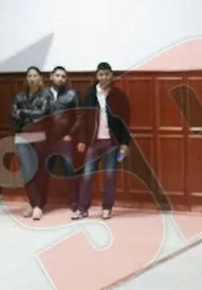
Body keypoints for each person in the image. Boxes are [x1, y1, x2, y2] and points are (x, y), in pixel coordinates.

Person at [74, 62, 131, 220]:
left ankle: (107, 207)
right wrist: (81, 140)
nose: (104, 77)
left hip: (111, 143)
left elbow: (125, 122)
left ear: (111, 75)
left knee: (110, 176)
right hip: (93, 142)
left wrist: (125, 144)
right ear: (96, 76)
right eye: (101, 74)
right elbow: (83, 119)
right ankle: (83, 208)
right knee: (87, 175)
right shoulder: (89, 94)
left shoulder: (119, 95)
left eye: (107, 74)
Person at [10, 66, 51, 220]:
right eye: (29, 76)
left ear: (40, 78)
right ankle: (35, 203)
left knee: (39, 172)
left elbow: (43, 113)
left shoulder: (46, 95)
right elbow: (12, 115)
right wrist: (29, 116)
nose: (32, 79)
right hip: (22, 136)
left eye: (35, 76)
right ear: (26, 79)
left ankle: (37, 205)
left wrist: (23, 112)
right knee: (27, 172)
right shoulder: (20, 96)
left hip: (39, 136)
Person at [43, 66, 82, 220]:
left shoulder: (72, 94)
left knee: (70, 171)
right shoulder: (43, 94)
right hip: (46, 140)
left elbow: (79, 117)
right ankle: (38, 204)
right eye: (58, 75)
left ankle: (74, 203)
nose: (60, 79)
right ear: (51, 76)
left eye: (63, 76)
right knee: (42, 172)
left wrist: (70, 134)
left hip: (64, 140)